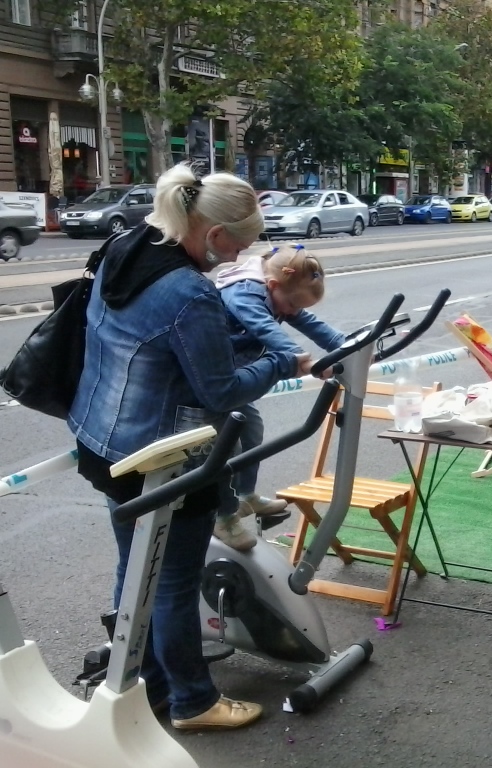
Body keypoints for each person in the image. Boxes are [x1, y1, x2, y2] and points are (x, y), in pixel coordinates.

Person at [68, 164, 311, 731]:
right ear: (214, 233)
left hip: (104, 441)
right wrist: (278, 361)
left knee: (136, 572)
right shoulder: (190, 290)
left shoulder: (127, 245)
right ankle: (193, 702)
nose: (235, 260)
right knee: (173, 580)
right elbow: (220, 389)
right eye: (239, 247)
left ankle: (142, 683)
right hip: (165, 455)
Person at [209, 244, 347, 550]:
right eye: (291, 305)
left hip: (238, 378)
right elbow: (264, 327)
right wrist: (301, 359)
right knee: (225, 448)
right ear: (272, 286)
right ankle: (224, 517)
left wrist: (347, 344)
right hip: (214, 379)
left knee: (252, 430)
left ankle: (246, 496)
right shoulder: (243, 292)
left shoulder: (279, 293)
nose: (292, 313)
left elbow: (309, 323)